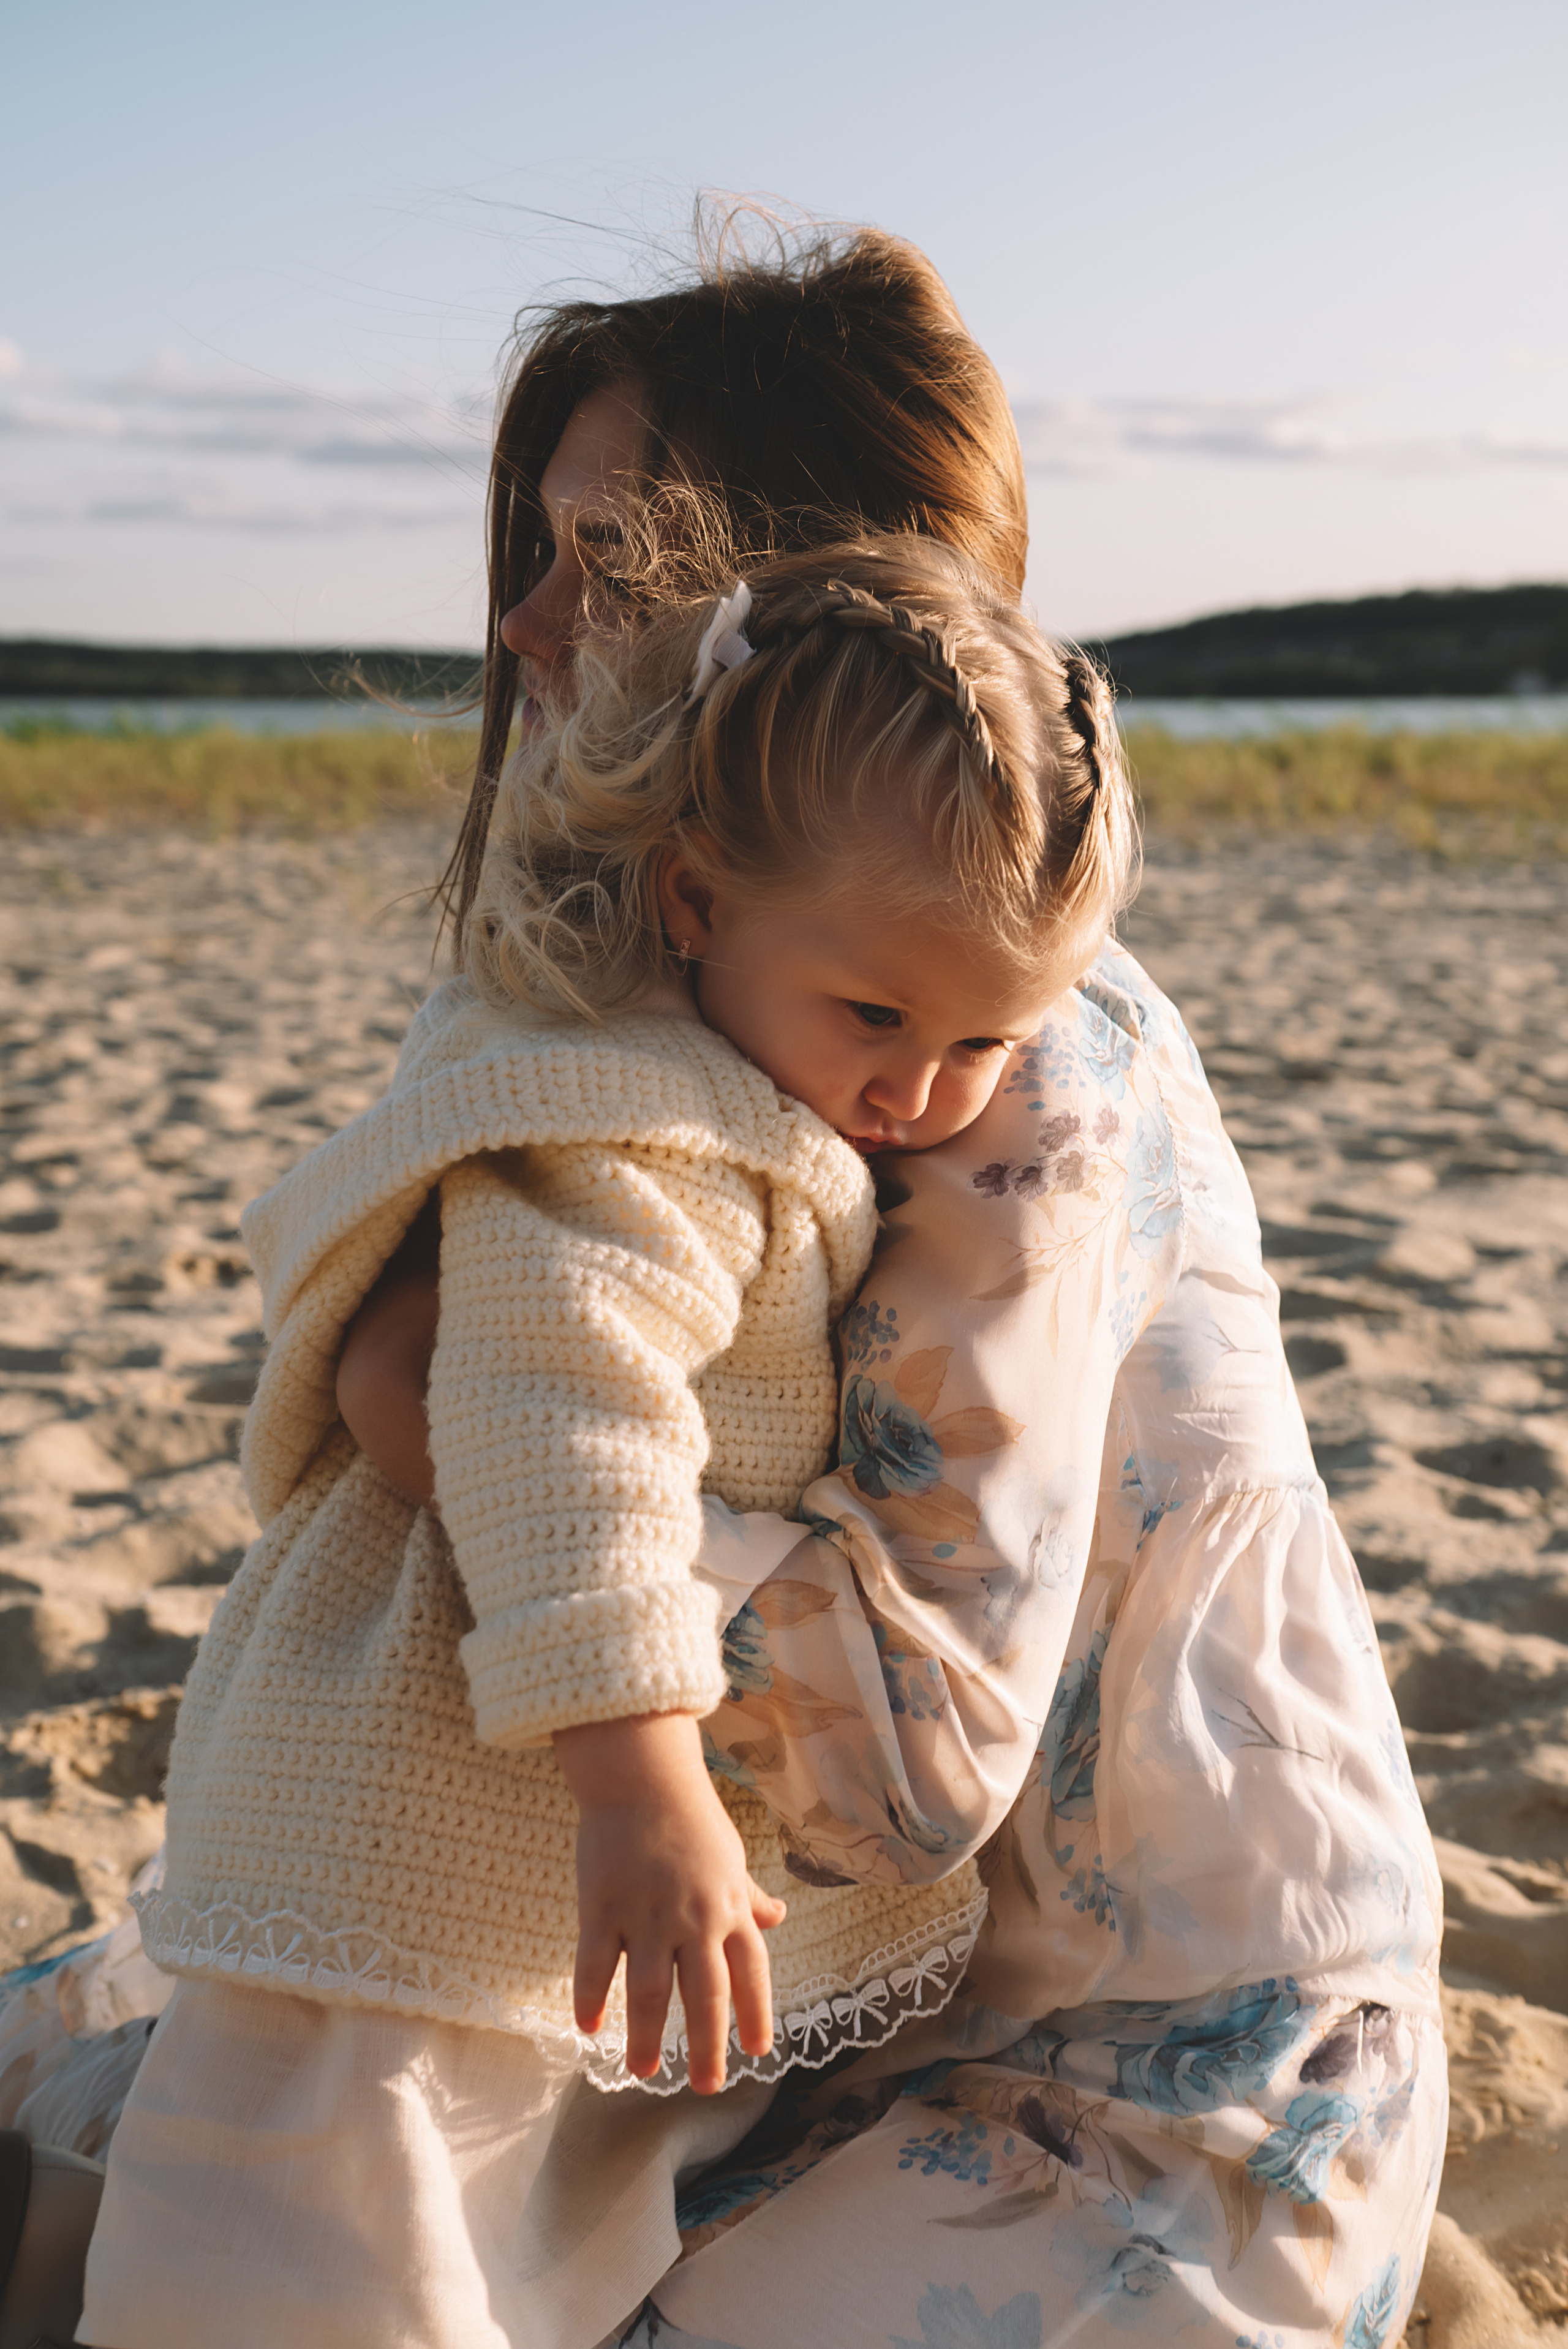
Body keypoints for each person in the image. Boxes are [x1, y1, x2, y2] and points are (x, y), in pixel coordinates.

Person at [76, 533, 1137, 2349]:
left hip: (512, 1788)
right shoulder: (643, 1130)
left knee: (476, 2212)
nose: (920, 1091)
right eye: (876, 1013)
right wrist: (639, 1777)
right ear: (698, 899)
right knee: (322, 2229)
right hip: (427, 1770)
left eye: (984, 1038)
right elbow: (559, 1410)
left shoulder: (754, 1092)